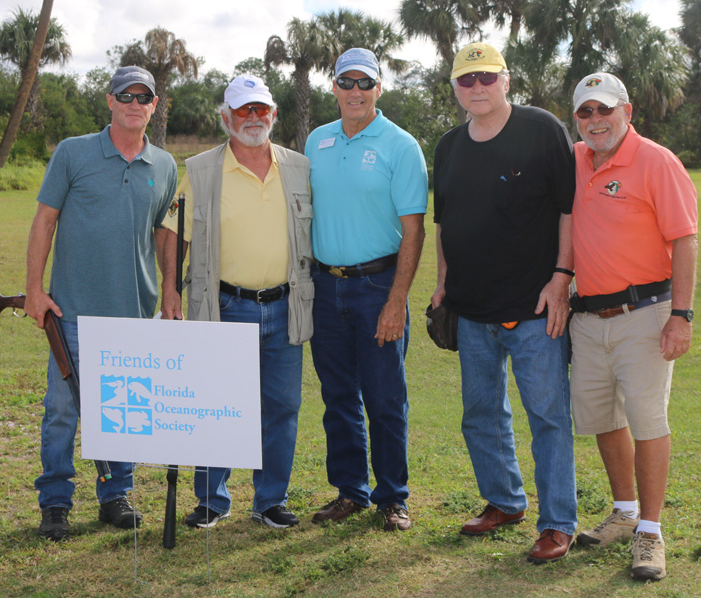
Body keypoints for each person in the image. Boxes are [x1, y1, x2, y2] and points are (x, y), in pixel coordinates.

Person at [430, 42, 577, 564]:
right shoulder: (447, 146)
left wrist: (561, 277)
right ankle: (505, 501)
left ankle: (558, 523)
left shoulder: (541, 130)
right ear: (454, 87)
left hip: (536, 310)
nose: (477, 88)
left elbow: (568, 210)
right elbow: (444, 223)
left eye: (486, 77)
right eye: (466, 80)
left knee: (548, 417)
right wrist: (444, 283)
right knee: (480, 414)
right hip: (471, 312)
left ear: (506, 79)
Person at [25, 65, 178, 541]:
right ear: (109, 101)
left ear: (154, 105)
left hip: (134, 314)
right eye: (125, 95)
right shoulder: (73, 153)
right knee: (62, 412)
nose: (134, 103)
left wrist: (171, 289)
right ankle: (55, 502)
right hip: (70, 313)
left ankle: (115, 495)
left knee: (123, 409)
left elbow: (166, 236)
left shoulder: (166, 166)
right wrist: (34, 290)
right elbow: (44, 221)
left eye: (144, 96)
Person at [158, 74, 313, 529]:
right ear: (225, 117)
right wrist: (170, 289)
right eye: (243, 110)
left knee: (281, 407)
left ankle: (270, 500)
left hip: (286, 306)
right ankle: (211, 499)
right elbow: (171, 230)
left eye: (260, 109)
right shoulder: (201, 169)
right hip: (226, 306)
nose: (253, 118)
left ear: (274, 115)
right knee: (217, 404)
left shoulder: (299, 167)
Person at [568, 72, 698, 582]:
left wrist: (681, 316)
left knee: (647, 421)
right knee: (603, 418)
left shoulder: (656, 161)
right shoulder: (575, 161)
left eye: (605, 110)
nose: (596, 121)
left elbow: (685, 240)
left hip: (645, 314)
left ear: (627, 111)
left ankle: (650, 530)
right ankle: (623, 512)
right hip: (588, 317)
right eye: (586, 112)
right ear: (576, 118)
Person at [304, 48, 428, 532]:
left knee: (384, 397)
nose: (355, 92)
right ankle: (350, 491)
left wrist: (397, 299)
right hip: (324, 284)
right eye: (346, 82)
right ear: (333, 87)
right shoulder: (317, 141)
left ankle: (392, 496)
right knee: (337, 396)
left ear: (379, 88)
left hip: (377, 285)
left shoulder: (400, 145)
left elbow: (413, 231)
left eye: (364, 83)